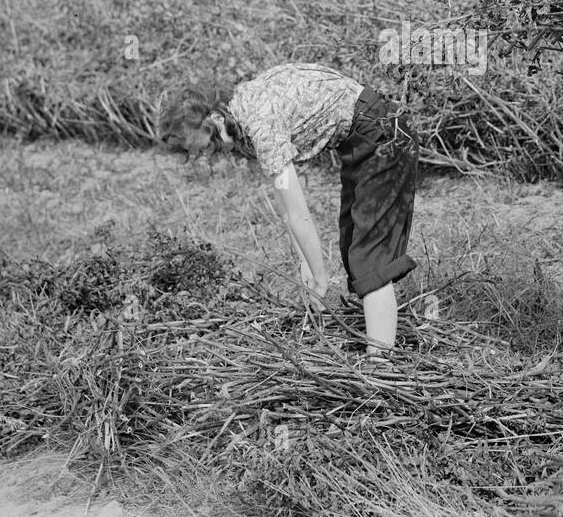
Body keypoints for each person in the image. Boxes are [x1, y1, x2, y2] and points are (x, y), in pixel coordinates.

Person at [158, 63, 419, 354]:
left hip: (383, 131)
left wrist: (322, 280)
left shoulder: (259, 124)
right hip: (359, 137)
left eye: (200, 146)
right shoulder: (240, 119)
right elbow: (286, 211)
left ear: (211, 121)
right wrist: (307, 268)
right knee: (352, 245)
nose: (201, 155)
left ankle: (381, 366)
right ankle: (376, 343)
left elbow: (299, 212)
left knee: (369, 256)